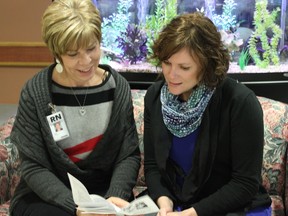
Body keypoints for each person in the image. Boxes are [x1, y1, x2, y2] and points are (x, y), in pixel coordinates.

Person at [9, 0, 140, 215]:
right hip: (49, 199)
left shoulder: (118, 88)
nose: (86, 61)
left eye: (92, 48)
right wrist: (75, 207)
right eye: (73, 54)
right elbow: (33, 166)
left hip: (105, 195)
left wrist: (115, 196)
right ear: (56, 52)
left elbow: (128, 155)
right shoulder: (35, 92)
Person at [143, 12, 272, 216]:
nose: (171, 74)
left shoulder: (240, 102)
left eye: (184, 67)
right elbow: (152, 166)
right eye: (167, 63)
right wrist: (163, 201)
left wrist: (192, 213)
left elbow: (245, 184)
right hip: (177, 203)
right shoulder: (154, 96)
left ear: (207, 65)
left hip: (233, 207)